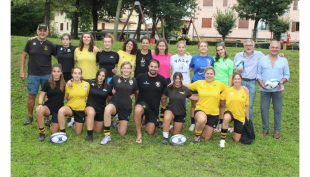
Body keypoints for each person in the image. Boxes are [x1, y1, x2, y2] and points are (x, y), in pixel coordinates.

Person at [20, 23, 57, 125]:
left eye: (44, 31)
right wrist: (21, 71)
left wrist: (57, 71)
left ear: (47, 32)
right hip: (33, 74)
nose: (42, 32)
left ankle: (46, 117)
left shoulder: (51, 45)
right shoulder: (30, 42)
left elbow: (58, 57)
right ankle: (30, 117)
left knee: (47, 96)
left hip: (47, 75)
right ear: (37, 31)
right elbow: (23, 56)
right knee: (31, 96)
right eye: (40, 30)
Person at [185, 66, 229, 143]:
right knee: (202, 119)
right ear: (204, 74)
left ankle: (202, 126)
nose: (209, 75)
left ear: (214, 75)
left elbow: (230, 89)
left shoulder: (219, 84)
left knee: (206, 137)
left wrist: (243, 88)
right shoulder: (199, 83)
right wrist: (175, 83)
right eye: (207, 73)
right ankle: (197, 136)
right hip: (201, 110)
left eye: (211, 74)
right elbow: (189, 86)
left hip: (214, 114)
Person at [256, 41, 290, 139]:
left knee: (278, 110)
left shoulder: (284, 60)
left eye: (276, 47)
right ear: (269, 48)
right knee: (264, 109)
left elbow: (287, 75)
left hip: (278, 90)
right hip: (264, 90)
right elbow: (258, 74)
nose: (274, 49)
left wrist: (281, 82)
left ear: (279, 49)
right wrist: (261, 83)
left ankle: (277, 131)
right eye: (272, 47)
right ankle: (265, 129)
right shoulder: (262, 60)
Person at [101, 61, 139, 144]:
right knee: (107, 109)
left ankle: (117, 119)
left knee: (122, 133)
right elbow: (108, 88)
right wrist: (111, 91)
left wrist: (133, 96)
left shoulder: (134, 80)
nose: (126, 70)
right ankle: (107, 135)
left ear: (131, 70)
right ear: (121, 69)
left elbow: (135, 91)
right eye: (124, 68)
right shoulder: (115, 78)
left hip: (126, 106)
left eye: (128, 68)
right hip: (115, 103)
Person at [133, 59, 167, 143]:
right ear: (148, 67)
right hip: (142, 104)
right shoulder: (140, 77)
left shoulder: (162, 79)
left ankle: (145, 119)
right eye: (151, 66)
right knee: (138, 110)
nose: (153, 68)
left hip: (153, 109)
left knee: (150, 132)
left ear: (158, 68)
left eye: (155, 67)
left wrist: (163, 112)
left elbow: (164, 96)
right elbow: (136, 92)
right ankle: (139, 134)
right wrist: (136, 104)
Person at [161, 72, 196, 144]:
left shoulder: (185, 89)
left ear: (182, 79)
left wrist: (205, 97)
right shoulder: (169, 88)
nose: (177, 80)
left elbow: (193, 98)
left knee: (175, 134)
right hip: (170, 110)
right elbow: (163, 97)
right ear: (173, 79)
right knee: (167, 118)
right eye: (176, 78)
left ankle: (169, 127)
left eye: (179, 78)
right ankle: (165, 137)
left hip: (180, 113)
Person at [35, 63, 66, 141]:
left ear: (61, 72)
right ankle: (42, 132)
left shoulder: (64, 83)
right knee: (39, 111)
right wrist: (40, 104)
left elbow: (68, 95)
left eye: (58, 71)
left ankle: (52, 123)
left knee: (54, 132)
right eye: (54, 71)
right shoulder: (47, 83)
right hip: (48, 107)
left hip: (58, 110)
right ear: (52, 72)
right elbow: (41, 95)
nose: (56, 73)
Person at [188, 41, 214, 131]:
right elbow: (191, 69)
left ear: (207, 48)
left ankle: (204, 120)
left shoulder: (211, 59)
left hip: (207, 84)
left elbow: (212, 71)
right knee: (194, 103)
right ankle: (192, 123)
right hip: (196, 82)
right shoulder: (194, 58)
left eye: (205, 46)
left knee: (206, 102)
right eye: (201, 46)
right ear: (198, 48)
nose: (203, 47)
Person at [219, 73, 249, 147]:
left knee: (236, 140)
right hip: (230, 112)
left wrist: (247, 119)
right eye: (235, 79)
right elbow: (220, 99)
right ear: (232, 80)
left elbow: (247, 106)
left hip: (240, 115)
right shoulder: (228, 90)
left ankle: (233, 130)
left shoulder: (245, 91)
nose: (237, 80)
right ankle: (222, 140)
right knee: (226, 118)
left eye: (239, 79)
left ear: (241, 80)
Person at [57, 67, 90, 135]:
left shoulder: (86, 84)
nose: (77, 75)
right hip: (71, 107)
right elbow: (65, 96)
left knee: (78, 133)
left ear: (81, 74)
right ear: (72, 74)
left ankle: (73, 122)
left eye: (79, 73)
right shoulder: (68, 85)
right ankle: (62, 132)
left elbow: (89, 95)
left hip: (81, 109)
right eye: (75, 73)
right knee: (61, 111)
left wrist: (86, 98)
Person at [85, 68, 113, 142]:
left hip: (100, 109)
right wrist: (70, 80)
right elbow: (79, 81)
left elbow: (109, 99)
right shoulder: (90, 82)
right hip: (90, 106)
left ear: (105, 77)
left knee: (97, 131)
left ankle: (91, 122)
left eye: (103, 76)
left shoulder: (109, 87)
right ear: (97, 75)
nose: (100, 77)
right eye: (99, 75)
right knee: (91, 113)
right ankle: (89, 136)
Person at [170, 40, 192, 128]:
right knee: (173, 101)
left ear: (185, 48)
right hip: (174, 83)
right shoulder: (172, 58)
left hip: (185, 83)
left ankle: (181, 120)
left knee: (184, 102)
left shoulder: (190, 57)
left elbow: (191, 69)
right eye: (179, 47)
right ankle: (172, 118)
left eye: (183, 47)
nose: (181, 49)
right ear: (177, 48)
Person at [213, 43, 234, 133]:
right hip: (214, 86)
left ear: (224, 49)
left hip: (225, 87)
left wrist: (228, 88)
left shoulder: (230, 62)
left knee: (222, 105)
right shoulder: (214, 60)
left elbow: (230, 76)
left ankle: (221, 124)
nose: (220, 51)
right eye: (218, 50)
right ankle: (213, 123)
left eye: (221, 49)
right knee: (214, 105)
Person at [152, 38, 171, 128]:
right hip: (156, 80)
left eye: (163, 45)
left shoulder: (170, 56)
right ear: (157, 46)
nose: (162, 47)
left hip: (166, 80)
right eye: (160, 45)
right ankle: (154, 118)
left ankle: (161, 120)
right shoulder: (154, 55)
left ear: (166, 47)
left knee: (164, 101)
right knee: (155, 100)